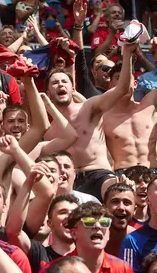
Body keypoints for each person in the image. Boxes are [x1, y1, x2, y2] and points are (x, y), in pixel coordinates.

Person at [44, 42, 135, 201]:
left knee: (116, 193)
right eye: (55, 82)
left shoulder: (90, 107)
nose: (60, 85)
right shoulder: (48, 129)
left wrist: (126, 54)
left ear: (73, 89)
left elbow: (122, 88)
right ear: (48, 93)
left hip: (99, 174)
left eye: (64, 81)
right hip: (67, 180)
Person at [36, 202, 138, 273]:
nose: (98, 226)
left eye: (104, 223)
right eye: (89, 222)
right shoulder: (50, 272)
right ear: (74, 233)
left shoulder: (124, 270)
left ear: (108, 233)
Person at [102, 37, 157, 171]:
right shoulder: (103, 116)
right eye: (118, 78)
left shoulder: (149, 105)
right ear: (110, 84)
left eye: (129, 78)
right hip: (123, 175)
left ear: (135, 83)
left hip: (155, 172)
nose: (125, 81)